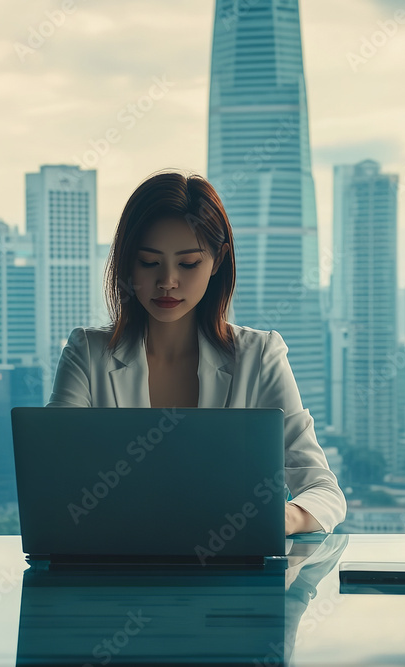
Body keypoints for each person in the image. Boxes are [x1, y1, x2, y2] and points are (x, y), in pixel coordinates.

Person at [47, 170, 346, 534]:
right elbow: (53, 482)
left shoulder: (259, 355)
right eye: (148, 261)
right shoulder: (88, 353)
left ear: (218, 261)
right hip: (114, 568)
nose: (167, 281)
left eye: (188, 264)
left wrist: (282, 516)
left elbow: (323, 489)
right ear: (126, 261)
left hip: (231, 574)